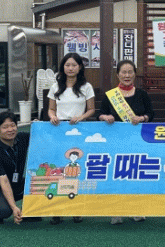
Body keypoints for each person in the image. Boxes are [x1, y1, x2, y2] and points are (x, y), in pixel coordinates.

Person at [98, 59, 154, 225]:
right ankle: (116, 211)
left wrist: (142, 118)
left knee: (136, 176)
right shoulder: (111, 95)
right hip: (116, 143)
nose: (127, 75)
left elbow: (151, 114)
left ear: (135, 74)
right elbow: (99, 114)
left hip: (138, 142)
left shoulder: (142, 94)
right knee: (116, 176)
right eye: (124, 72)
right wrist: (105, 117)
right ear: (118, 75)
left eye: (130, 72)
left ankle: (136, 209)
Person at [47, 52, 95, 224]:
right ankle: (57, 210)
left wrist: (81, 117)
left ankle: (76, 209)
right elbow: (51, 109)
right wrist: (52, 116)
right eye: (67, 65)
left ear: (80, 67)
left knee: (76, 171)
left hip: (78, 131)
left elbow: (91, 110)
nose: (70, 68)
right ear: (63, 67)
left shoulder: (86, 87)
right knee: (59, 169)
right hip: (59, 131)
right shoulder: (55, 87)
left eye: (74, 65)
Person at [0, 111, 41, 225]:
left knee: (41, 184)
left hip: (18, 184)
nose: (10, 129)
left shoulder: (22, 138)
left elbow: (40, 135)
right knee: (5, 210)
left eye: (13, 125)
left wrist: (38, 125)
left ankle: (29, 212)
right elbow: (4, 182)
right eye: (5, 127)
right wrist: (14, 207)